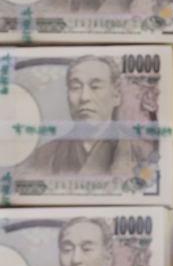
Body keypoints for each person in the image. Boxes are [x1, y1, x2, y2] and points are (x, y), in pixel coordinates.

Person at [16, 55, 151, 176]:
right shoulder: (43, 156)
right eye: (75, 87)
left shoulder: (143, 153)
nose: (84, 97)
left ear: (116, 96)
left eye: (95, 87)